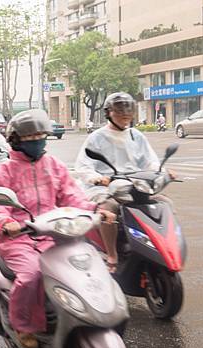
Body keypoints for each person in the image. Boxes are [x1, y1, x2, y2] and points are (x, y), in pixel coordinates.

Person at [0, 109, 116, 348]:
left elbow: (72, 195)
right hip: (19, 238)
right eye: (31, 137)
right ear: (16, 140)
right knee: (32, 274)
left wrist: (95, 209)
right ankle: (23, 325)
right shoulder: (6, 171)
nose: (37, 140)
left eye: (40, 135)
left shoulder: (53, 165)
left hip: (55, 232)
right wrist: (6, 223)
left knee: (83, 264)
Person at [74, 92, 173, 270]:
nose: (125, 113)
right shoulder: (97, 137)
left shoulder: (136, 135)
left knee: (164, 203)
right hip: (106, 187)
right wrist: (96, 178)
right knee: (108, 209)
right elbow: (83, 165)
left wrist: (161, 173)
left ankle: (163, 246)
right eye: (119, 109)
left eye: (128, 109)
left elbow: (150, 161)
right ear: (109, 112)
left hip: (134, 185)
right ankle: (112, 254)